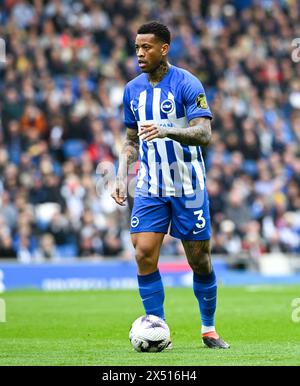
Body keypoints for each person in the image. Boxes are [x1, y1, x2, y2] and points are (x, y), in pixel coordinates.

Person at [111, 21, 229, 349]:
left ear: (164, 48)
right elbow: (131, 139)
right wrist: (122, 174)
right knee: (144, 253)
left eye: (146, 47)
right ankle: (157, 327)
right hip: (150, 185)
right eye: (136, 48)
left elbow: (204, 133)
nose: (139, 53)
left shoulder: (188, 84)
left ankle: (209, 329)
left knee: (199, 260)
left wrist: (167, 130)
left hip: (188, 186)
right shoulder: (132, 90)